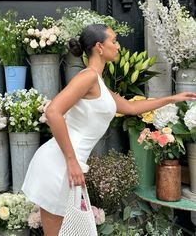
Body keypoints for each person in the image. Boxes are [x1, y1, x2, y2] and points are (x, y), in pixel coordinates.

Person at [22, 24, 196, 236]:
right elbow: (53, 112)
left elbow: (131, 107)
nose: (118, 46)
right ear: (99, 47)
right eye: (113, 41)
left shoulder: (98, 82)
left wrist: (171, 98)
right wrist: (71, 160)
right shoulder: (87, 77)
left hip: (69, 165)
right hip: (59, 165)